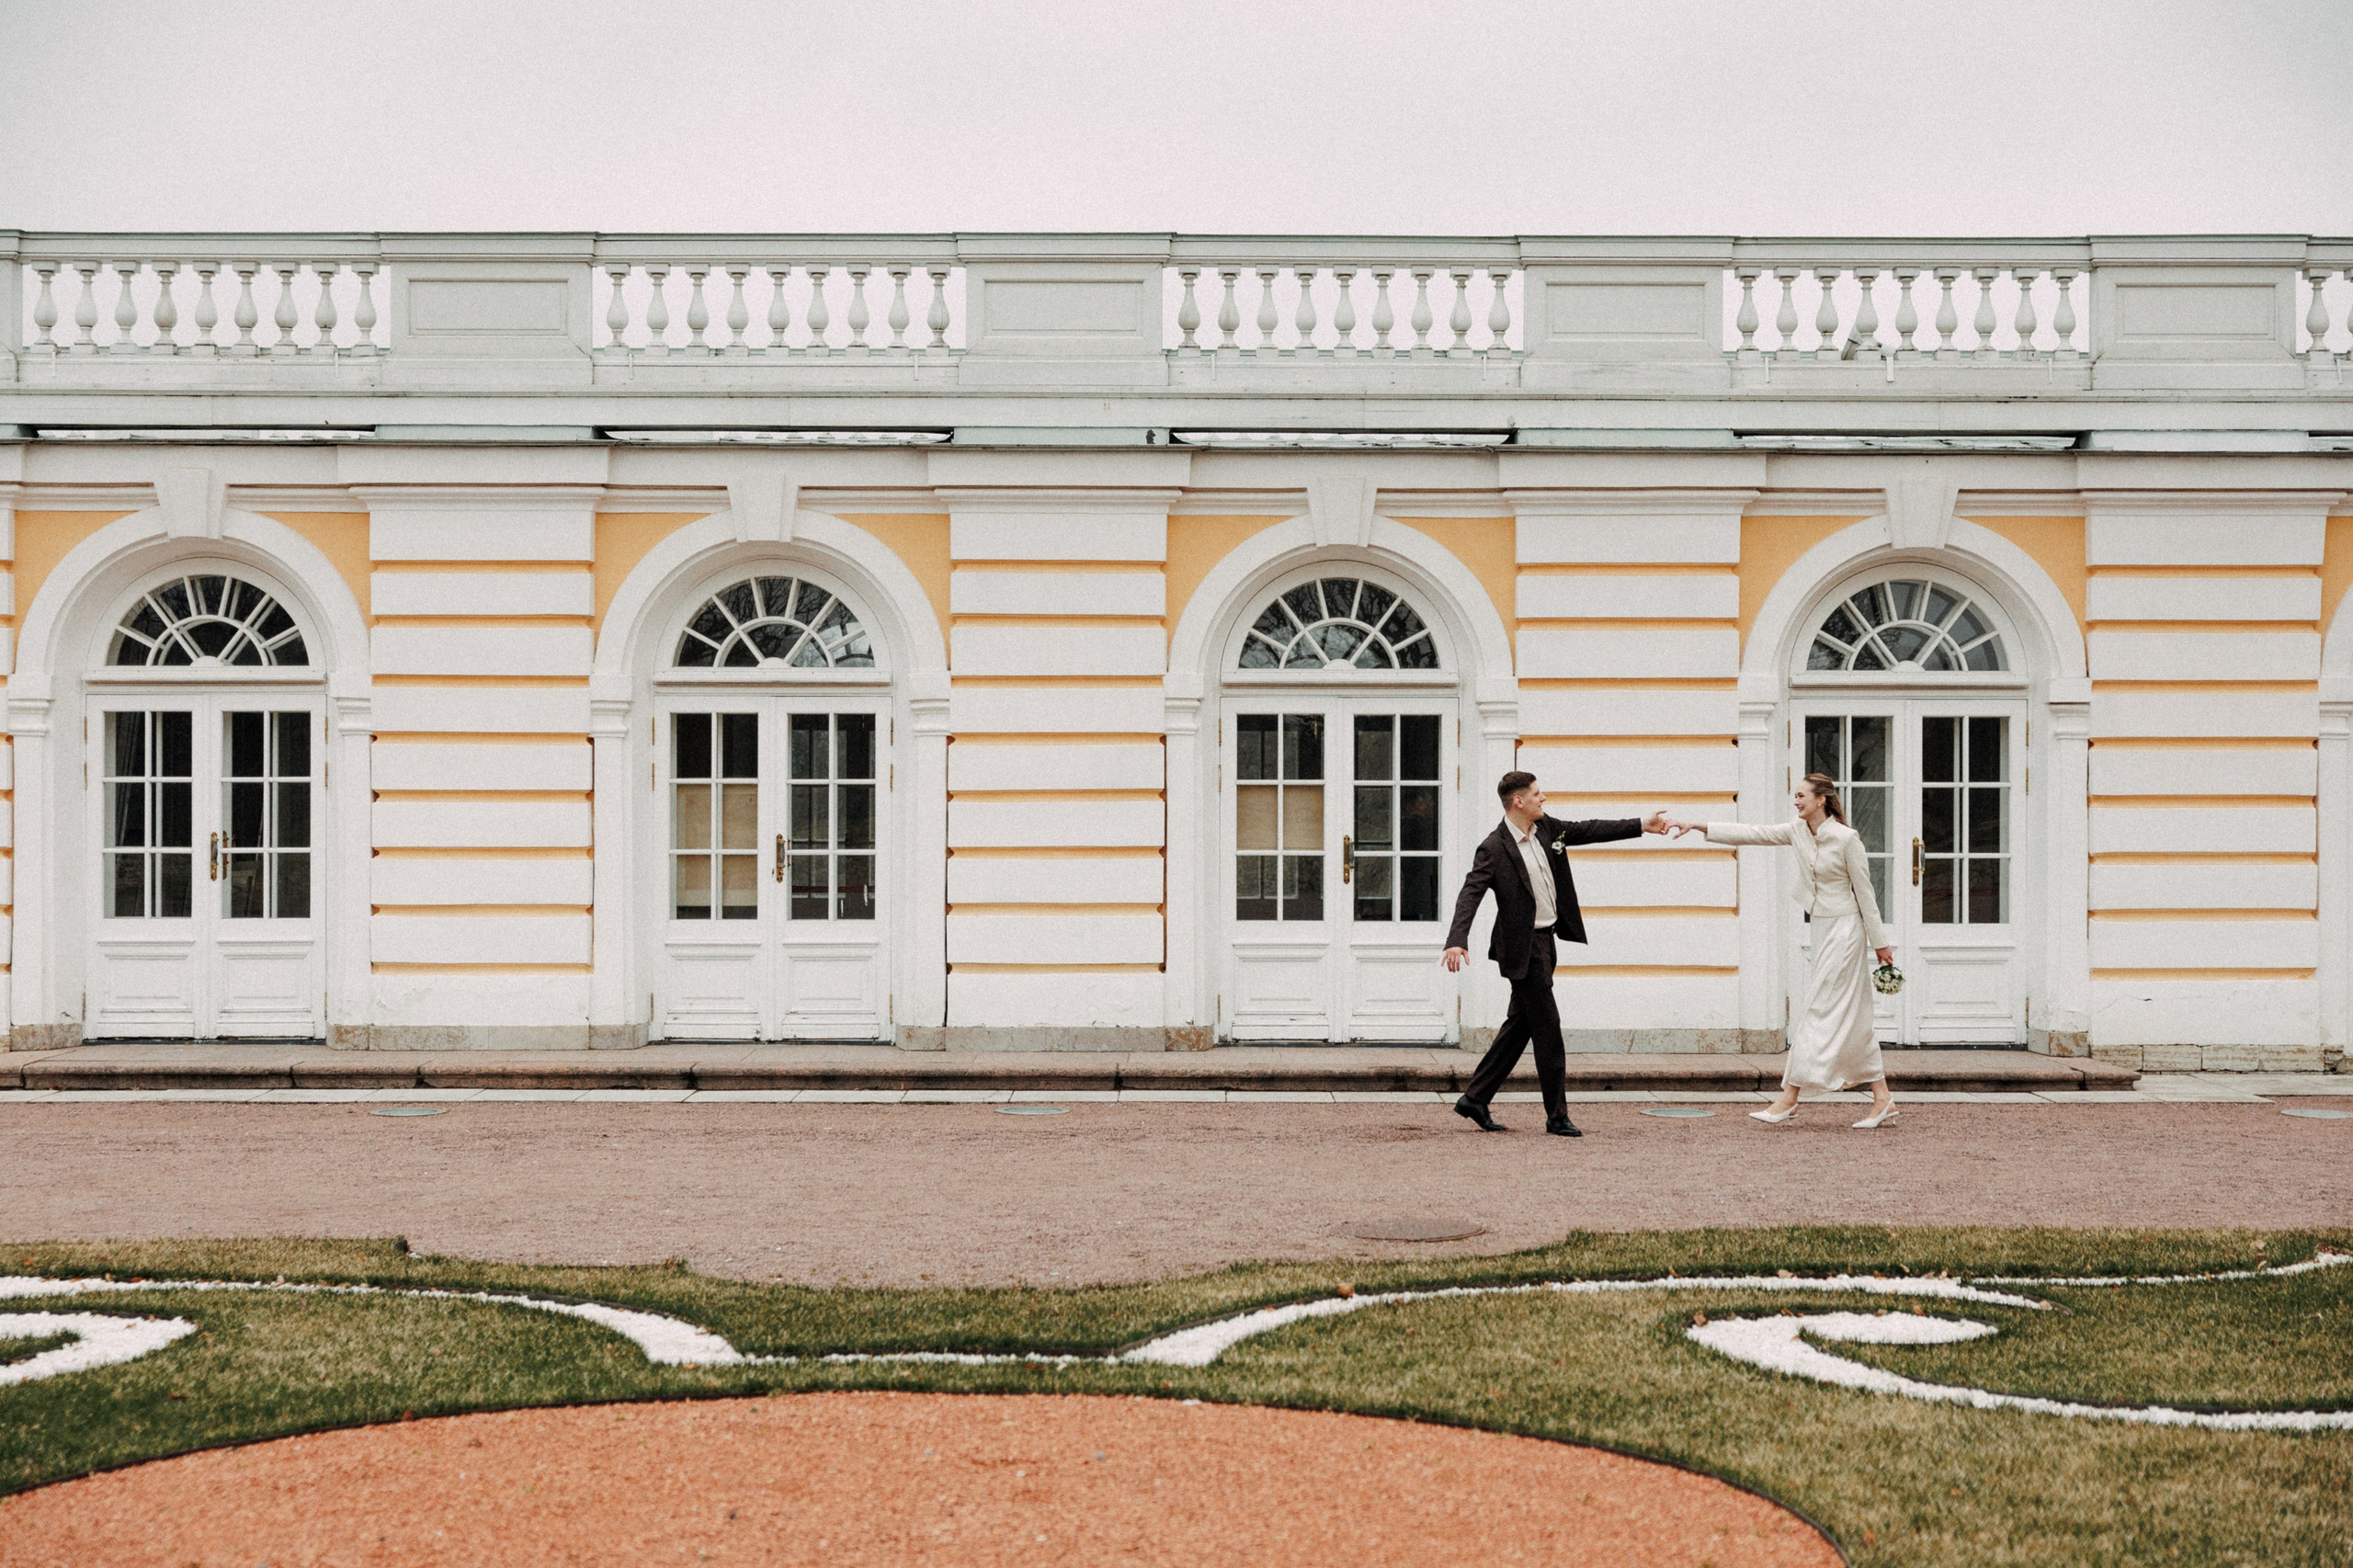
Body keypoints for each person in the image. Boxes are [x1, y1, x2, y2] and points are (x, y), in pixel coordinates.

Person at [1661, 773, 1899, 1129]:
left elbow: (1865, 893)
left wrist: (1880, 943)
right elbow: (1753, 833)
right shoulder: (1797, 830)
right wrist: (1698, 825)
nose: (1796, 801)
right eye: (1795, 796)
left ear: (1821, 800)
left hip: (1847, 932)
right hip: (1822, 928)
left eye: (1801, 795)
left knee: (1818, 1010)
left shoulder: (1847, 839)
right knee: (1852, 1017)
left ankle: (1789, 1097)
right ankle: (1882, 1099)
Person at [1441, 771, 1669, 1136]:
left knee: (1520, 1026)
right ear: (1518, 801)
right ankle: (1556, 1115)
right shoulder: (1494, 847)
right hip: (1522, 948)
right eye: (1536, 794)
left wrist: (1642, 824)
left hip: (1546, 942)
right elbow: (1471, 892)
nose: (1543, 798)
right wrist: (1457, 939)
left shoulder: (1548, 829)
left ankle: (1475, 1098)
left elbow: (1590, 829)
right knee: (1548, 1029)